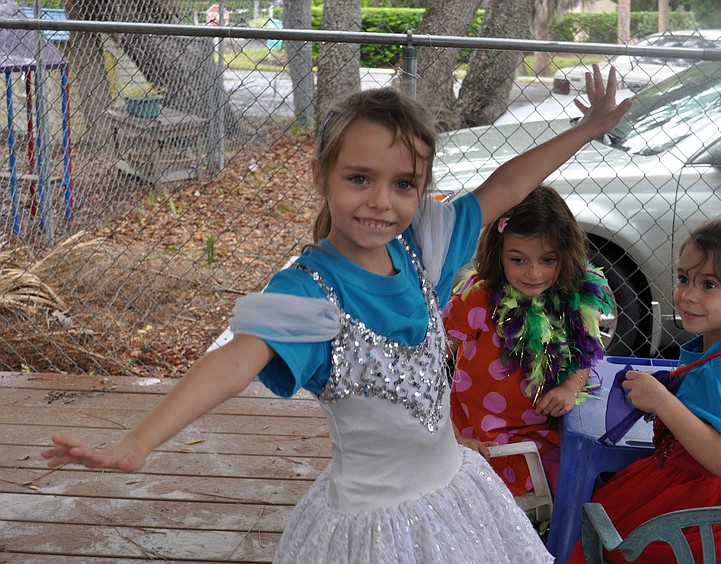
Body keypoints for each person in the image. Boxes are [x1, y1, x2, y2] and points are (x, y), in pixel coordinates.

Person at [43, 67, 631, 563]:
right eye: (359, 179)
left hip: (455, 491)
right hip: (372, 526)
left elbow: (507, 183)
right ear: (322, 177)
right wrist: (139, 440)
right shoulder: (308, 292)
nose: (382, 200)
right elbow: (235, 359)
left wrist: (586, 128)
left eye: (404, 184)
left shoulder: (421, 247)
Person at [569, 211, 721, 563]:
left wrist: (664, 401)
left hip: (701, 519)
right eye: (683, 278)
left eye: (709, 284)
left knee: (596, 539)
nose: (688, 295)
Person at [443, 184, 612, 498]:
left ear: (565, 255)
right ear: (499, 254)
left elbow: (584, 357)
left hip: (545, 436)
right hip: (480, 439)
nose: (534, 273)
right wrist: (451, 438)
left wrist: (570, 388)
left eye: (547, 260)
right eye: (518, 260)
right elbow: (430, 365)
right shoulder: (477, 299)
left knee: (586, 490)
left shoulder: (573, 300)